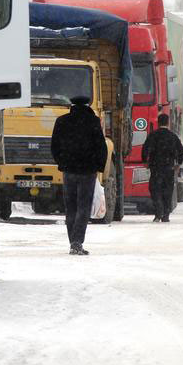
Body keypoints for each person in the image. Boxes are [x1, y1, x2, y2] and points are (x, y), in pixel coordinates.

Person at [50, 95, 108, 255]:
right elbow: (101, 146)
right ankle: (77, 242)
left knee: (71, 207)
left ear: (72, 105)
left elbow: (54, 145)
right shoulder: (93, 122)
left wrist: (61, 162)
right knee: (84, 206)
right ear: (87, 105)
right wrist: (99, 166)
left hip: (69, 170)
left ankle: (73, 242)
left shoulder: (62, 121)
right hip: (87, 171)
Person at [141, 114, 183, 223]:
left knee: (155, 190)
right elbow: (181, 151)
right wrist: (178, 163)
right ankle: (166, 214)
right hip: (168, 168)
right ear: (168, 122)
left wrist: (145, 161)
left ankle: (158, 212)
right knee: (168, 191)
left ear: (158, 122)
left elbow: (145, 149)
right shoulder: (173, 136)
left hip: (155, 168)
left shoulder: (153, 135)